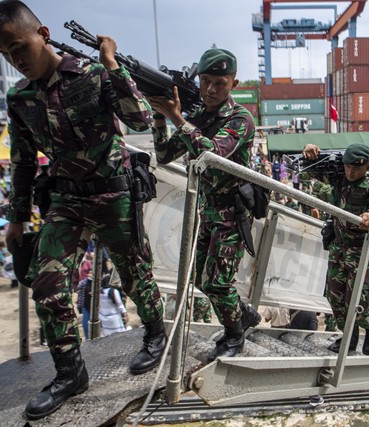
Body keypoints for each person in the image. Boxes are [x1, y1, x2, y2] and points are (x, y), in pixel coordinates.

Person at [0, 1, 165, 419]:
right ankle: (70, 372)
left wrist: (113, 64)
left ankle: (155, 335)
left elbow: (139, 120)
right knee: (46, 282)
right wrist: (16, 216)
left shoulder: (93, 73)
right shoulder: (20, 97)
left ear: (42, 34)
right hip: (66, 199)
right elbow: (23, 161)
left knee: (135, 274)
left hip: (113, 193)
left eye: (18, 48)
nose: (16, 61)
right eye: (5, 55)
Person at [148, 47, 260, 362]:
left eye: (219, 84)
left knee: (218, 281)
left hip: (232, 213)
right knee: (199, 276)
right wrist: (159, 114)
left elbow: (213, 152)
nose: (210, 90)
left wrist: (176, 117)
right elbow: (164, 155)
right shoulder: (199, 115)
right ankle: (243, 314)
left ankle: (235, 334)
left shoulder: (241, 119)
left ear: (233, 85)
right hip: (208, 210)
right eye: (205, 81)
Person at [302, 143, 369, 355]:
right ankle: (349, 337)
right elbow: (312, 171)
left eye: (356, 168)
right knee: (335, 297)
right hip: (338, 248)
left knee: (358, 300)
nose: (350, 172)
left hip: (360, 252)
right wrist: (310, 154)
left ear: (368, 166)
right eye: (348, 167)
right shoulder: (339, 177)